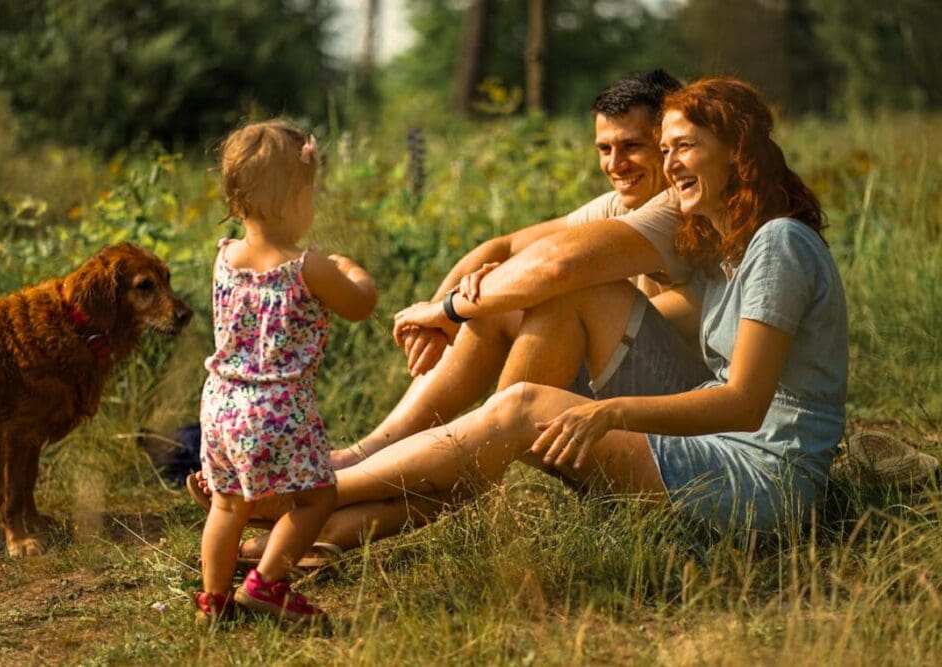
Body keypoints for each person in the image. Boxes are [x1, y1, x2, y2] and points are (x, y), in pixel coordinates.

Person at [237, 76, 847, 545]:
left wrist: (607, 413)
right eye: (667, 150)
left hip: (766, 484)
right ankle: (308, 530)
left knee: (524, 406)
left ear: (736, 151)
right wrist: (467, 314)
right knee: (523, 390)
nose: (670, 165)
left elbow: (744, 401)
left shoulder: (779, 243)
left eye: (684, 147)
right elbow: (580, 287)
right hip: (719, 453)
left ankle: (311, 493)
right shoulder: (735, 248)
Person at [192, 121, 377, 623]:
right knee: (316, 499)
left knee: (228, 506)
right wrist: (352, 271)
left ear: (235, 200)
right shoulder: (307, 266)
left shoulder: (224, 256)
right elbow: (360, 304)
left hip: (221, 401)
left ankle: (213, 601)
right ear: (297, 199)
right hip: (277, 407)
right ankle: (267, 584)